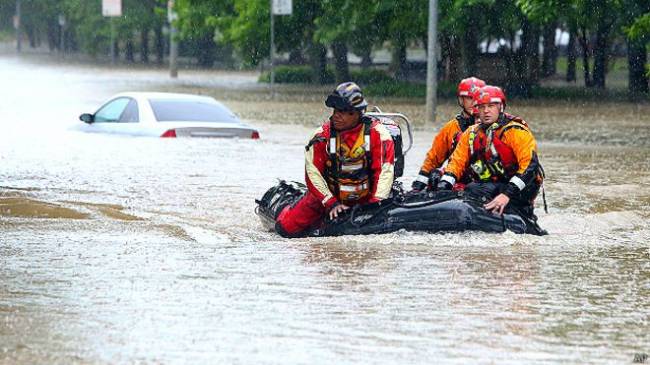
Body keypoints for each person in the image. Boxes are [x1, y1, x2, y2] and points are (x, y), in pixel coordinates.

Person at [275, 82, 396, 237]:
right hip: (326, 198)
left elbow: (385, 172)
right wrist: (331, 202)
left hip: (367, 198)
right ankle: (292, 208)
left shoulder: (379, 135)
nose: (336, 115)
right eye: (335, 110)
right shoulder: (321, 137)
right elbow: (313, 174)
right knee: (285, 229)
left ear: (357, 113)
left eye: (343, 112)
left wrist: (374, 206)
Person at [437, 85, 545, 219]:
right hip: (493, 184)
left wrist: (506, 194)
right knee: (469, 188)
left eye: (491, 106)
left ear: (500, 107)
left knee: (474, 190)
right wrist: (443, 185)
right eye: (481, 107)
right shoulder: (471, 133)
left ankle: (512, 213)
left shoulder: (515, 131)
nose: (486, 111)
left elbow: (530, 166)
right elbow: (456, 163)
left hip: (521, 188)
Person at [412, 77, 486, 191]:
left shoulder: (494, 127)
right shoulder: (451, 128)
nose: (474, 102)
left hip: (484, 180)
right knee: (434, 177)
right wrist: (418, 185)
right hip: (456, 178)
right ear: (461, 100)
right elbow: (433, 159)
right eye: (470, 98)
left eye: (478, 98)